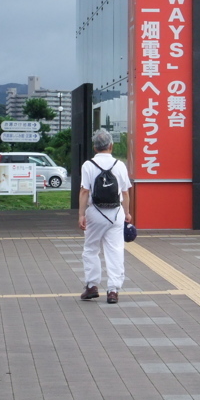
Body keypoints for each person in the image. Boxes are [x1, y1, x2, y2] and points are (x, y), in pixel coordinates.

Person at [78, 129, 132, 303]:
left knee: (91, 249)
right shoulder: (120, 165)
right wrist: (128, 213)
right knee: (115, 250)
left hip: (95, 212)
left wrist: (81, 214)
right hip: (116, 213)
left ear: (95, 147)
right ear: (111, 146)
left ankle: (92, 285)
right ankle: (113, 290)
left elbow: (84, 190)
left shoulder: (88, 165)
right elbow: (125, 192)